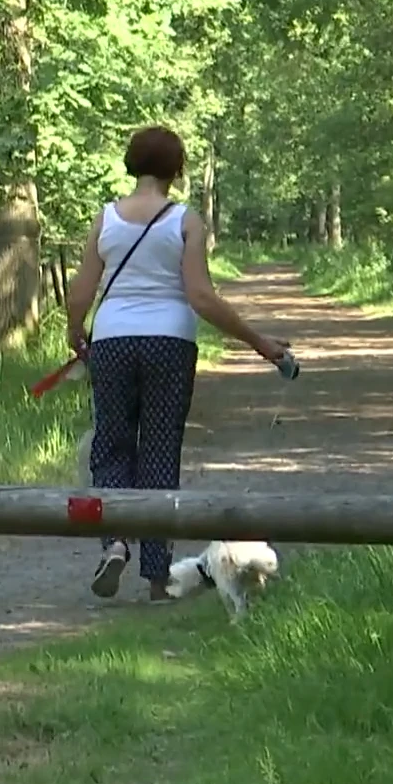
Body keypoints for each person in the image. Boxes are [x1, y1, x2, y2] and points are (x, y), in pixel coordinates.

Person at [65, 126, 290, 602]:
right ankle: (156, 577)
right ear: (177, 168)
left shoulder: (105, 219)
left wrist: (75, 332)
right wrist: (258, 342)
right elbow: (202, 297)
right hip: (170, 341)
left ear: (131, 163)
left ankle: (116, 543)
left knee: (110, 445)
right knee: (160, 451)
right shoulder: (185, 221)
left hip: (113, 341)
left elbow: (81, 291)